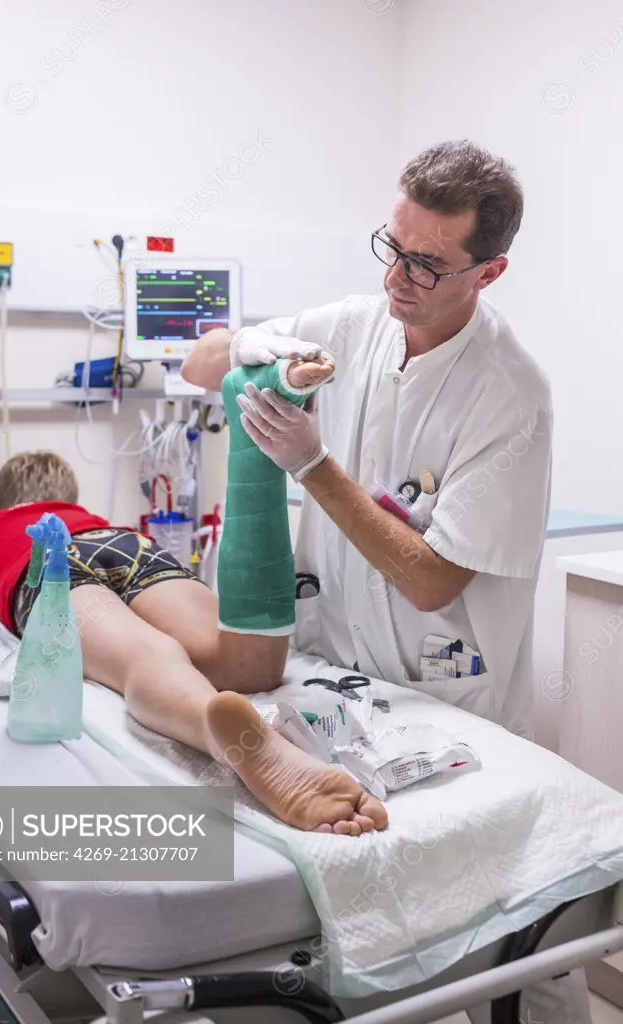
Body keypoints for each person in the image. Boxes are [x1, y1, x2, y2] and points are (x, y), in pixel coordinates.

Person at [182, 140, 593, 1024]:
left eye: (426, 263)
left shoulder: (511, 395)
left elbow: (433, 579)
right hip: (339, 681)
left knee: (522, 938)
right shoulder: (353, 325)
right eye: (391, 245)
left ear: (489, 271)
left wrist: (313, 462)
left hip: (451, 703)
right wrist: (253, 344)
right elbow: (198, 363)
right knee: (388, 935)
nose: (396, 277)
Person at [0, 381, 388, 840]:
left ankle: (224, 732)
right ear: (69, 497)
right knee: (241, 659)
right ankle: (248, 697)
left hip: (49, 564)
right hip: (127, 545)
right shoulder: (91, 518)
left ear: (3, 501)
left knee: (147, 656)